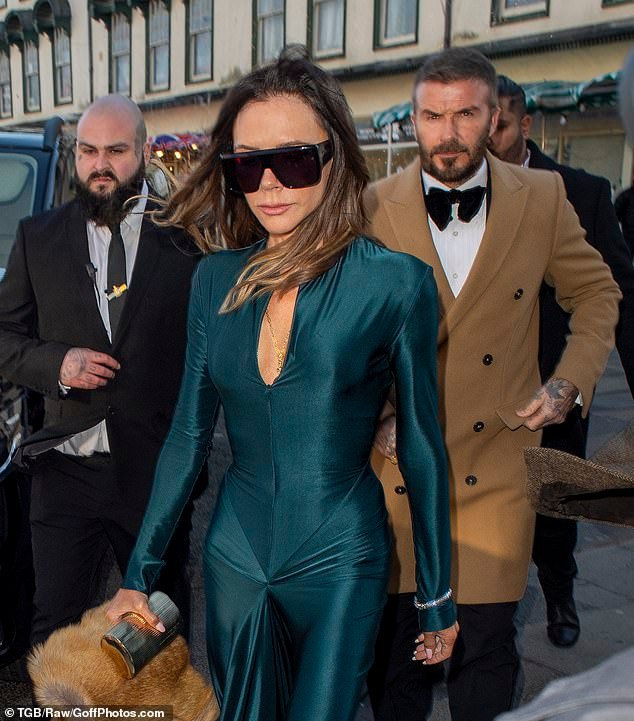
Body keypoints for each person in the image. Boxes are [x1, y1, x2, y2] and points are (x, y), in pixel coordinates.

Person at [106, 48, 458, 721]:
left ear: (334, 158)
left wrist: (436, 593)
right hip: (235, 554)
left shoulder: (396, 284)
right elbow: (188, 434)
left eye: (293, 161)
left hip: (341, 555)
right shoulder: (215, 280)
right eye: (247, 165)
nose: (269, 183)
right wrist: (139, 575)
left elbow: (421, 442)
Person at [363, 48, 621, 721]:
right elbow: (344, 328)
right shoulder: (372, 205)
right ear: (413, 120)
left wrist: (569, 382)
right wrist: (378, 409)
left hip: (497, 465)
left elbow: (597, 293)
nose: (447, 133)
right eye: (432, 116)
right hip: (399, 470)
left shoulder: (543, 198)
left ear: (495, 118)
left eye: (466, 115)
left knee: (485, 653)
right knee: (397, 658)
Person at [0, 95, 200, 646]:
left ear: (143, 152)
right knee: (54, 635)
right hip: (65, 468)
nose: (100, 165)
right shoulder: (38, 238)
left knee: (156, 634)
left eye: (115, 151)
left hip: (154, 474)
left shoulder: (186, 239)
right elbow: (4, 337)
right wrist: (57, 363)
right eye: (88, 151)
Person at [488, 74, 634, 648]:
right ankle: (485, 617)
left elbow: (619, 292)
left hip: (557, 382)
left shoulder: (584, 192)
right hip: (480, 388)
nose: (487, 137)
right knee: (483, 513)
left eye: (500, 125)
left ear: (525, 124)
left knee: (555, 507)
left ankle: (559, 591)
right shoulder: (453, 193)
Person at [615, 186, 634, 259]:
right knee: (627, 257)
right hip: (629, 234)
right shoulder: (626, 195)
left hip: (628, 232)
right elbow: (616, 211)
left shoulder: (626, 194)